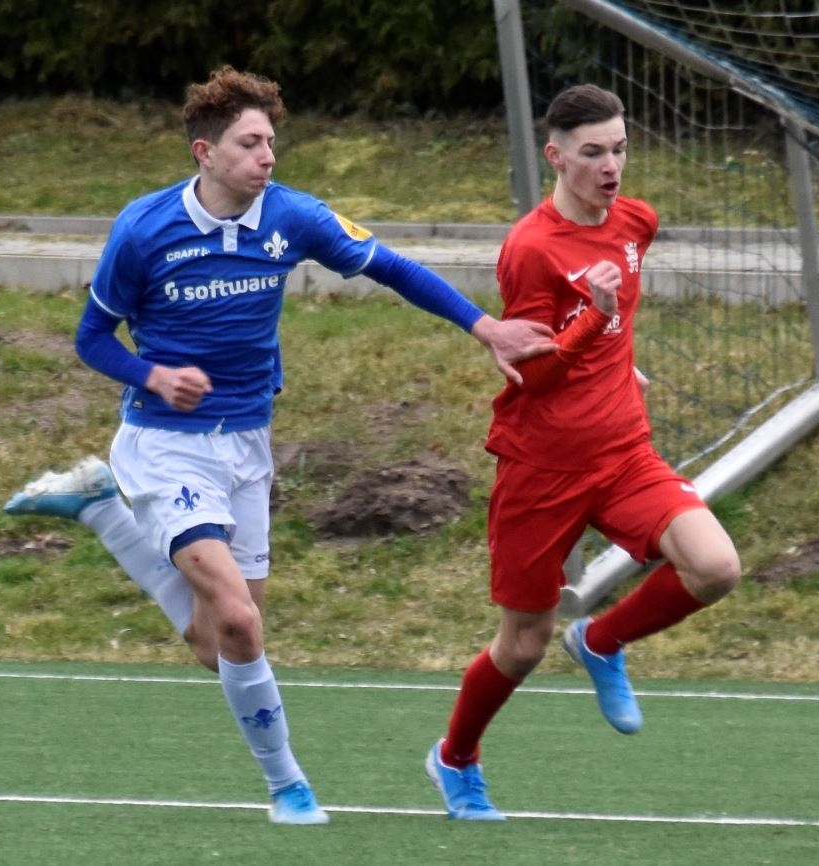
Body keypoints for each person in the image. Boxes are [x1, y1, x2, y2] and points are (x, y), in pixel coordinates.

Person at [56, 65, 554, 826]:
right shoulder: (143, 228)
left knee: (218, 642)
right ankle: (288, 785)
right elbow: (92, 338)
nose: (267, 157)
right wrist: (152, 375)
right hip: (165, 446)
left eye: (270, 142)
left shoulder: (293, 216)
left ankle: (102, 513)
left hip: (248, 445)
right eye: (249, 143)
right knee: (240, 621)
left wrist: (485, 327)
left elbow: (391, 267)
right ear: (204, 152)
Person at [424, 83, 742, 820]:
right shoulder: (530, 250)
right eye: (593, 152)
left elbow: (618, 317)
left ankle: (600, 641)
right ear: (555, 156)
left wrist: (618, 358)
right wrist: (591, 322)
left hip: (623, 452)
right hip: (541, 467)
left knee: (715, 566)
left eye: (619, 149)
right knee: (522, 644)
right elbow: (532, 375)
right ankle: (455, 758)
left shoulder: (636, 222)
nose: (611, 167)